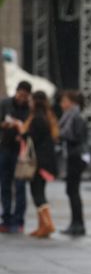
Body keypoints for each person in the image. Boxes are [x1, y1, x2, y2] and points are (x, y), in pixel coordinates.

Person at [19, 91, 60, 238]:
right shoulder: (48, 116)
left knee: (37, 193)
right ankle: (42, 225)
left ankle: (47, 224)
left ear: (36, 102)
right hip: (45, 160)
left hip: (39, 162)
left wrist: (21, 132)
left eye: (31, 100)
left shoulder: (37, 118)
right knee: (39, 191)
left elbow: (32, 137)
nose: (29, 103)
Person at [0, 81, 32, 234]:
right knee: (5, 184)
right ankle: (6, 218)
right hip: (5, 148)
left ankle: (19, 219)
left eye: (25, 96)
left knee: (20, 185)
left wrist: (22, 133)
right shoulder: (5, 104)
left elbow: (30, 128)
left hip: (21, 151)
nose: (21, 98)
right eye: (20, 95)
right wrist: (5, 125)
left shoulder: (29, 109)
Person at [59, 90, 89, 237]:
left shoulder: (75, 117)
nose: (62, 104)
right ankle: (75, 223)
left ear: (72, 102)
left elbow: (77, 137)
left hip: (76, 156)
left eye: (64, 101)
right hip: (73, 155)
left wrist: (60, 135)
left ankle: (78, 224)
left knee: (73, 190)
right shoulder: (70, 116)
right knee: (71, 191)